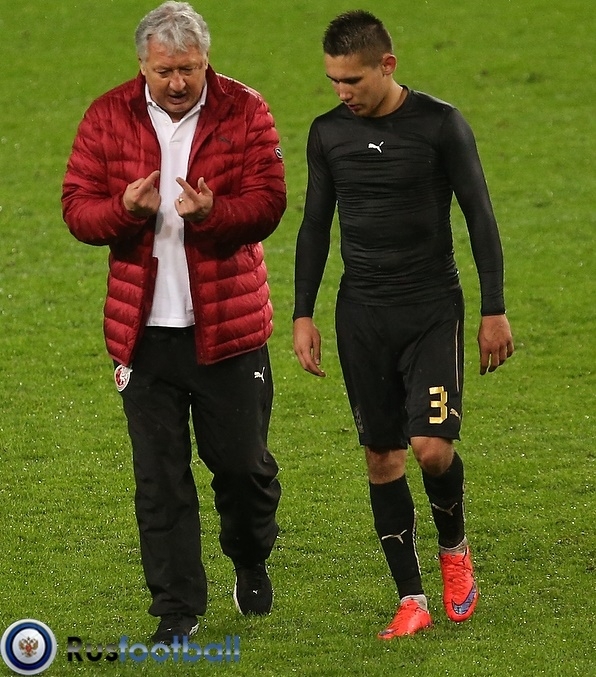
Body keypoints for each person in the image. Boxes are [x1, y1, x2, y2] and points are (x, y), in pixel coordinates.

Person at [62, 1, 286, 644]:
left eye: (189, 68)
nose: (179, 82)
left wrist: (215, 214)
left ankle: (250, 556)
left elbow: (269, 203)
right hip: (143, 336)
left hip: (228, 331)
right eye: (165, 71)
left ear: (206, 60)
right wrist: (124, 210)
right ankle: (175, 609)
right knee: (159, 479)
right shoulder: (107, 116)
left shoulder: (245, 110)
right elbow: (77, 208)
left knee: (242, 469)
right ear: (143, 65)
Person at [293, 10, 514, 639]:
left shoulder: (441, 125)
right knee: (381, 455)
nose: (342, 92)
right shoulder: (327, 134)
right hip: (361, 315)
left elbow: (480, 214)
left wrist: (493, 308)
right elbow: (315, 226)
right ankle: (411, 599)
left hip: (430, 310)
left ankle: (454, 550)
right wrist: (303, 313)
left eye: (353, 80)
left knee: (432, 448)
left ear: (387, 65)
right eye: (334, 80)